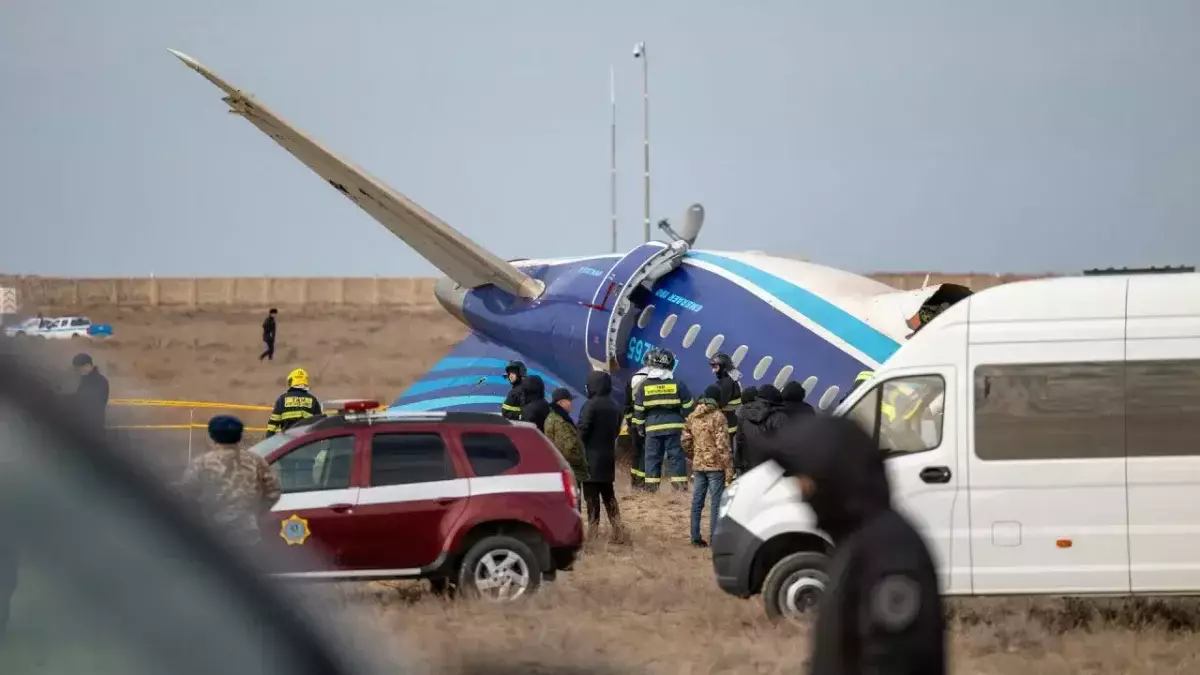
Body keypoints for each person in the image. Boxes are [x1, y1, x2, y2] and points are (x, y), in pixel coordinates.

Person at [766, 416, 946, 675]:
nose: (801, 491)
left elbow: (893, 662)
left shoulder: (890, 553)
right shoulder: (857, 542)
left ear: (833, 475)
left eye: (806, 481)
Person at [177, 415, 283, 549]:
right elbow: (274, 491)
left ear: (212, 435)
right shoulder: (256, 461)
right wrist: (254, 512)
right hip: (247, 534)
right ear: (240, 435)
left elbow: (186, 496)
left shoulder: (201, 463)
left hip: (213, 535)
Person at [631, 348, 694, 492]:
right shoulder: (678, 383)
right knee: (676, 457)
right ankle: (680, 490)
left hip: (652, 428)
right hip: (675, 427)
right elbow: (689, 406)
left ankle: (651, 490)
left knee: (652, 458)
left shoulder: (644, 385)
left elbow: (639, 410)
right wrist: (688, 426)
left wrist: (640, 428)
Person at [681, 384, 733, 547]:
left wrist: (695, 454)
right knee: (715, 503)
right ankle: (715, 538)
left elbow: (685, 440)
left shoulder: (693, 415)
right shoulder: (719, 417)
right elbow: (722, 445)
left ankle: (695, 537)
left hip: (698, 465)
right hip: (715, 467)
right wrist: (729, 469)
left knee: (697, 502)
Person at [577, 370, 624, 541]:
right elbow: (617, 430)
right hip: (608, 457)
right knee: (609, 496)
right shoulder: (614, 406)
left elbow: (582, 430)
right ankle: (619, 531)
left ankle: (593, 533)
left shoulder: (590, 405)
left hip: (590, 458)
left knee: (591, 499)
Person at [544, 388, 589, 505]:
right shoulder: (560, 421)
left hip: (563, 469)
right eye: (569, 400)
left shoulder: (553, 418)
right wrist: (580, 460)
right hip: (571, 470)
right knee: (574, 505)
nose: (571, 403)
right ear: (561, 403)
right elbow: (568, 449)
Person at [737, 384, 787, 471]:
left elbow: (740, 441)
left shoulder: (744, 414)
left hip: (751, 468)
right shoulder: (780, 417)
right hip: (773, 469)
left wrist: (739, 464)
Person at [265, 368, 322, 437]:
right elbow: (319, 423)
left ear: (291, 381)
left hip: (287, 441)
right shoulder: (312, 400)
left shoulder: (282, 399)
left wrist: (269, 438)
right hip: (306, 441)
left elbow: (273, 424)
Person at [623, 363, 652, 490]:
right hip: (647, 422)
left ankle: (634, 483)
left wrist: (629, 423)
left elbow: (627, 405)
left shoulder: (633, 378)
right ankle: (641, 484)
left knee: (636, 453)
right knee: (646, 453)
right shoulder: (654, 379)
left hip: (634, 423)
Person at [709, 352, 743, 444]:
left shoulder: (725, 384)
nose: (713, 371)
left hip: (725, 427)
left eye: (715, 367)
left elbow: (718, 404)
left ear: (723, 366)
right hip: (732, 424)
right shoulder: (734, 380)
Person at [72, 352, 109, 431]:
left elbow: (90, 403)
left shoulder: (98, 381)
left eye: (79, 369)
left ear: (88, 366)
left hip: (92, 427)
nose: (78, 372)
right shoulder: (89, 379)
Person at [732, 386, 757, 476]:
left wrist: (737, 464)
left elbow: (737, 440)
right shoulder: (763, 412)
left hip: (744, 461)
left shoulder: (739, 414)